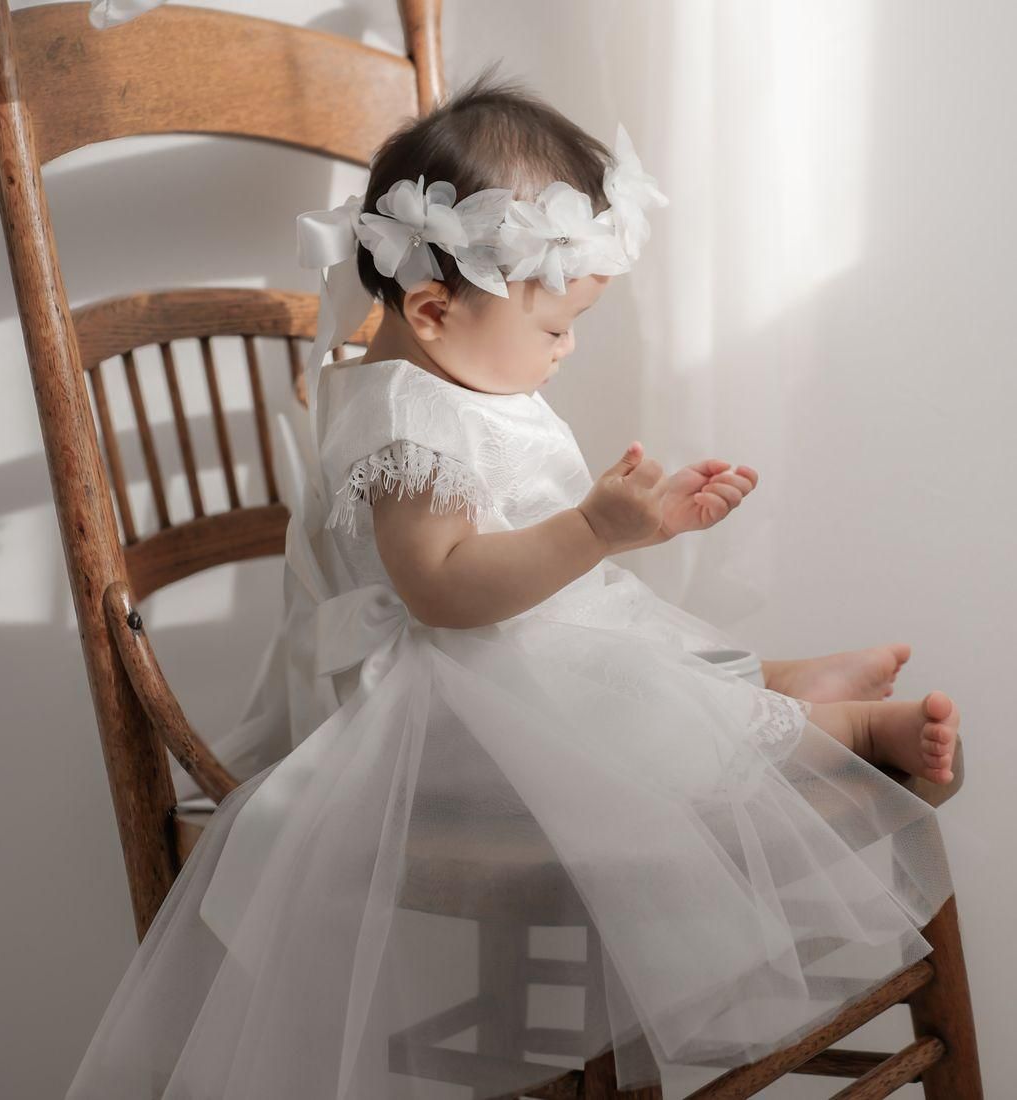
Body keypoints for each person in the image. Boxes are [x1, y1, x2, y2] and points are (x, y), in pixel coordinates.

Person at [65, 71, 961, 1098]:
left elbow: (520, 543)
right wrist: (591, 530)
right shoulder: (404, 421)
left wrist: (639, 521)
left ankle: (781, 686)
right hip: (434, 715)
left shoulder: (455, 372)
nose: (565, 348)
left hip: (514, 658)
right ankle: (847, 730)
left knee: (642, 673)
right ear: (432, 308)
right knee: (634, 716)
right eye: (553, 327)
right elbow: (442, 589)